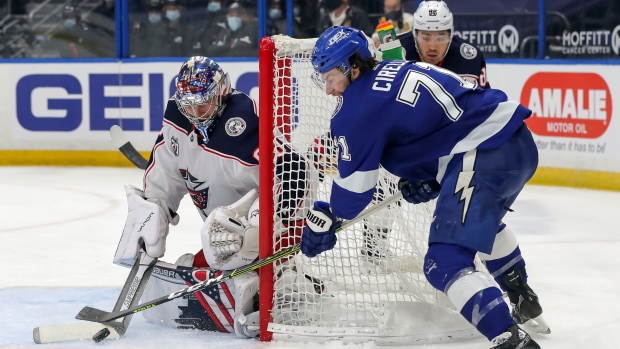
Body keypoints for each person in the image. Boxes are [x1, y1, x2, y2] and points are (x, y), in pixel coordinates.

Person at [302, 26, 546, 349]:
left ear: (352, 67)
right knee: (482, 226)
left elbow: (354, 194)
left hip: (484, 152)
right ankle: (522, 297)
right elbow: (431, 122)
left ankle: (510, 339)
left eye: (330, 76)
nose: (329, 88)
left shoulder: (354, 109)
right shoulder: (396, 66)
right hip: (515, 143)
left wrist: (326, 216)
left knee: (444, 261)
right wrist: (432, 176)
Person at [112, 56, 319, 337]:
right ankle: (263, 278)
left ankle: (288, 280)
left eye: (203, 103)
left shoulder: (246, 122)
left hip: (271, 220)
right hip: (224, 235)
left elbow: (298, 172)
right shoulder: (178, 119)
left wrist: (268, 225)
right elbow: (165, 174)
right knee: (196, 266)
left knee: (227, 246)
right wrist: (151, 212)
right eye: (188, 104)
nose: (195, 112)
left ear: (221, 94)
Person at [397, 0, 489, 88]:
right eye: (425, 38)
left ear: (450, 36)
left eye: (440, 39)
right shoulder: (395, 51)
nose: (432, 47)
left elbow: (485, 102)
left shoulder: (469, 59)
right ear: (415, 35)